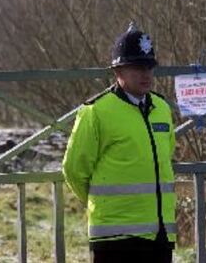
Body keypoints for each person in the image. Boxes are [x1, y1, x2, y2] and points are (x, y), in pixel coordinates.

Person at [62, 23, 176, 263]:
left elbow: (166, 157)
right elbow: (74, 169)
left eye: (149, 67)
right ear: (118, 71)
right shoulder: (96, 112)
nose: (145, 74)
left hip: (160, 233)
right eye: (137, 67)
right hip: (115, 237)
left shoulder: (162, 109)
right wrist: (103, 204)